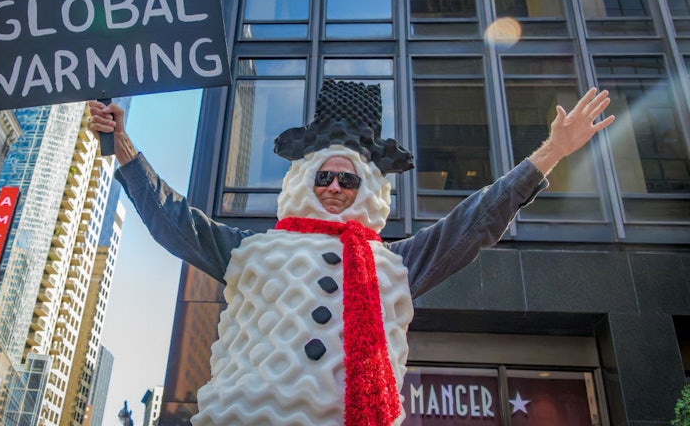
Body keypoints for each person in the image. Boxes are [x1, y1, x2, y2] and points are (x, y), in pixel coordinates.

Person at [88, 80, 613, 426]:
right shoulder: (251, 250)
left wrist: (550, 155)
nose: (335, 187)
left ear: (366, 188)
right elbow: (172, 220)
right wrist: (123, 146)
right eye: (325, 176)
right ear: (304, 179)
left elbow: (474, 222)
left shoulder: (396, 265)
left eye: (347, 178)